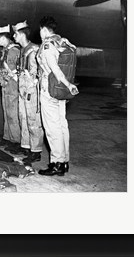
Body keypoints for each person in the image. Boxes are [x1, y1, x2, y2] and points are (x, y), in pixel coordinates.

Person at [36, 16, 79, 176]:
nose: (39, 33)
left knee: (52, 128)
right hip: (61, 92)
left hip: (50, 90)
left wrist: (68, 84)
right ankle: (65, 161)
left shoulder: (47, 45)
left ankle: (56, 163)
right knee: (62, 125)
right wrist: (67, 86)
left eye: (40, 30)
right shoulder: (63, 41)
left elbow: (55, 69)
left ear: (45, 30)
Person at [13, 20, 43, 163]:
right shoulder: (22, 50)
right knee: (23, 117)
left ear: (21, 35)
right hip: (22, 89)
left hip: (31, 90)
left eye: (15, 34)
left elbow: (38, 73)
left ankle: (36, 150)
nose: (14, 37)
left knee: (32, 120)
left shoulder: (34, 50)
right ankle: (26, 145)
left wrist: (31, 85)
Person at [0, 25, 22, 154]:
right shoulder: (5, 50)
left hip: (12, 85)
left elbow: (16, 69)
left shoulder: (13, 50)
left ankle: (16, 141)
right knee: (6, 112)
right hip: (5, 84)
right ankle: (8, 137)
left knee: (13, 114)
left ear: (4, 38)